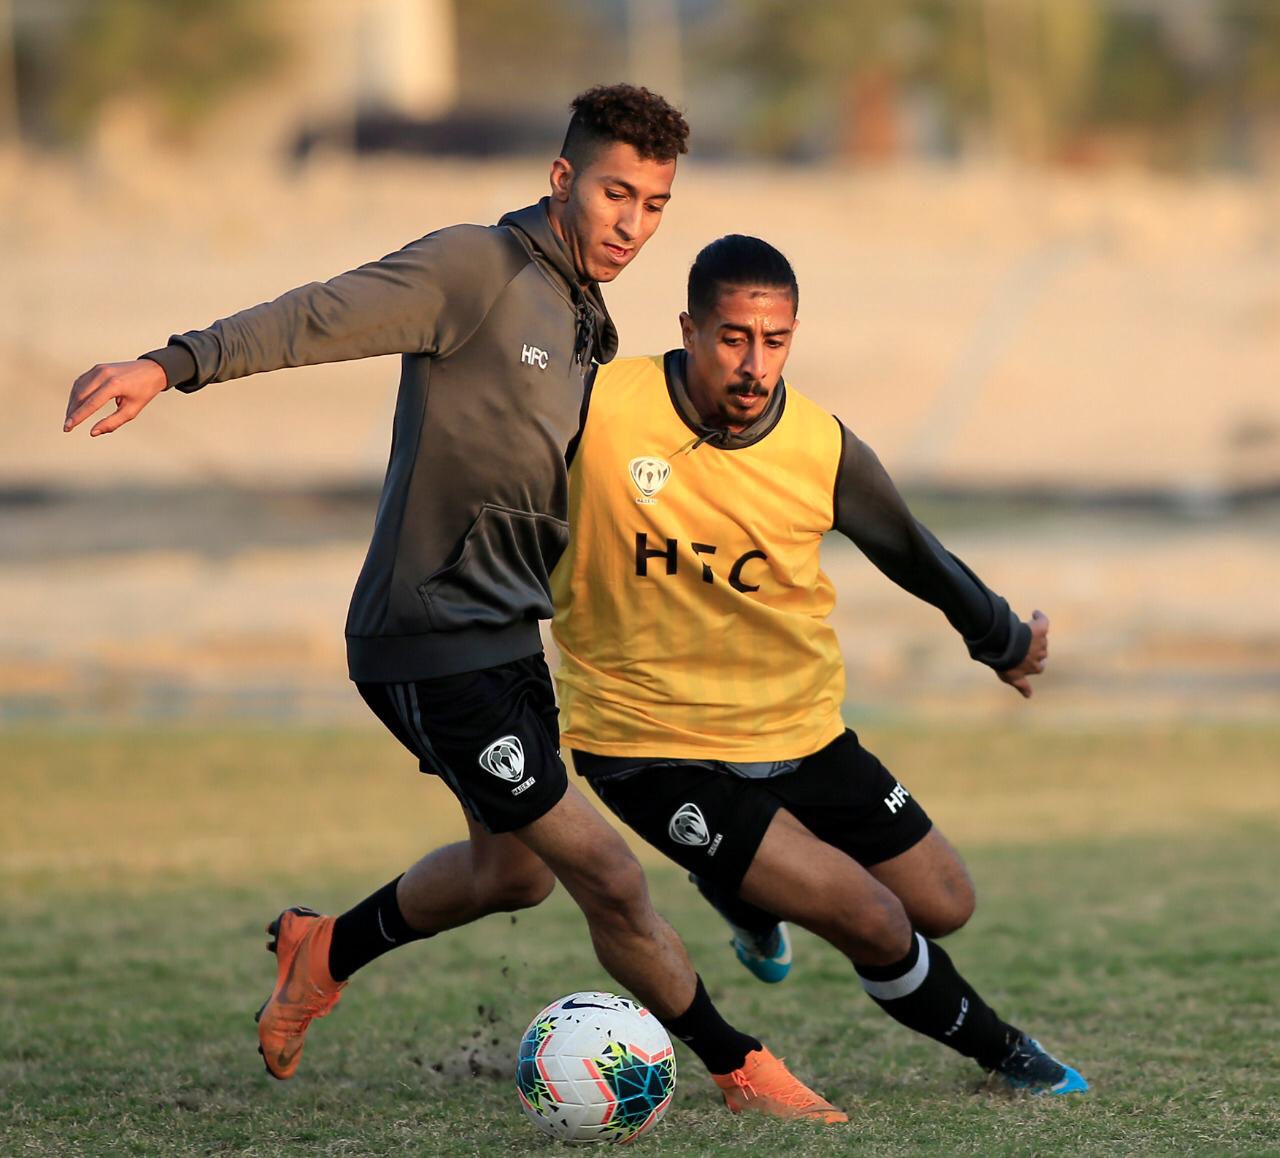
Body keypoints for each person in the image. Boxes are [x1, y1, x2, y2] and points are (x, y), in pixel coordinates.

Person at [62, 91, 844, 1122]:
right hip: (425, 638)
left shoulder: (585, 320)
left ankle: (321, 949)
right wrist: (171, 363)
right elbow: (319, 314)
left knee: (512, 873)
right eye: (614, 193)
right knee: (607, 875)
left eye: (653, 204)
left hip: (505, 639)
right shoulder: (476, 269)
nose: (631, 224)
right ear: (562, 180)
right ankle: (740, 1069)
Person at [549, 234, 1089, 1096]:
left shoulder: (819, 447)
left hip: (799, 731)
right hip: (651, 745)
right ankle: (1007, 1056)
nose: (754, 364)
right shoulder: (598, 406)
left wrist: (1001, 639)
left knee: (946, 902)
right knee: (871, 918)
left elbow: (913, 551)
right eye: (733, 338)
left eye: (775, 341)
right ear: (687, 329)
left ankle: (738, 891)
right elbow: (486, 470)